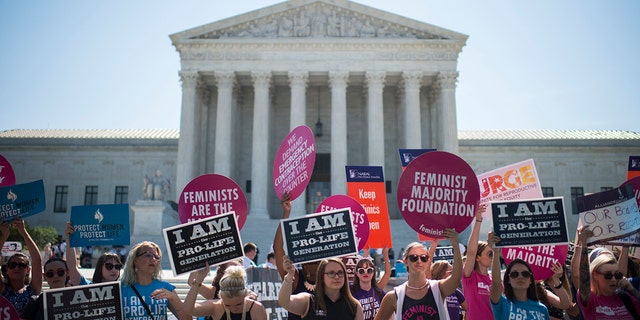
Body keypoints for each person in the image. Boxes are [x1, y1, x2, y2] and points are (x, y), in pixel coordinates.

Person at [374, 228, 462, 320]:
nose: (419, 261)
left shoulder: (438, 288)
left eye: (423, 258)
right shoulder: (394, 296)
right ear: (405, 261)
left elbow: (456, 277)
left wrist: (455, 245)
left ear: (428, 262)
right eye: (414, 257)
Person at [575, 226, 640, 319]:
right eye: (608, 275)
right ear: (595, 275)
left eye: (617, 275)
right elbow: (583, 276)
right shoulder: (591, 299)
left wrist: (632, 290)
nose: (613, 279)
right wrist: (584, 244)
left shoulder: (626, 297)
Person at [273, 192, 320, 320]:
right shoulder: (294, 277)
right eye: (309, 262)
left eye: (317, 262)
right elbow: (278, 249)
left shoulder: (330, 279)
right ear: (303, 263)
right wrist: (286, 214)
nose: (313, 265)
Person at [120, 241, 189, 320]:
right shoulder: (120, 289)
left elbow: (188, 318)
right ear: (135, 261)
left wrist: (174, 299)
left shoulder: (166, 288)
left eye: (156, 257)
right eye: (148, 255)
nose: (153, 259)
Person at [279, 256, 364, 319]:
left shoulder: (354, 305)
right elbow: (284, 302)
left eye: (340, 273)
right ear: (321, 277)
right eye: (331, 273)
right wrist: (290, 275)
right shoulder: (309, 301)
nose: (337, 277)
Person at [488, 232, 550, 319]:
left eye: (525, 274)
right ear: (508, 279)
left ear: (531, 280)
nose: (520, 277)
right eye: (514, 274)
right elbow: (496, 285)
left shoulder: (542, 309)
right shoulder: (502, 303)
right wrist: (496, 252)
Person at [184, 264, 268, 320]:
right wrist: (198, 281)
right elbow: (189, 309)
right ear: (221, 298)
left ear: (245, 296)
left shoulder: (256, 308)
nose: (234, 309)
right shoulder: (216, 306)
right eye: (227, 305)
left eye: (239, 304)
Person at [0, 217, 43, 314]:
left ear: (28, 270)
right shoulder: (2, 289)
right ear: (7, 269)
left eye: (22, 265)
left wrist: (23, 232)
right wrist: (4, 236)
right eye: (12, 265)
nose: (17, 268)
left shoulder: (33, 290)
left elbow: (37, 261)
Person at [64, 221, 122, 285]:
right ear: (100, 267)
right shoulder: (88, 286)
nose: (114, 270)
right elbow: (72, 268)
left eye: (117, 266)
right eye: (109, 266)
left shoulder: (125, 289)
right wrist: (69, 239)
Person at [462, 204, 493, 320]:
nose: (492, 257)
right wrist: (478, 220)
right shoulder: (470, 277)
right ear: (477, 257)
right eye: (489, 254)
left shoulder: (495, 281)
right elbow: (471, 252)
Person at [350, 248, 391, 320]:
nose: (365, 273)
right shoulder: (351, 290)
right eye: (361, 271)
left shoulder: (378, 290)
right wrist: (365, 254)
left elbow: (387, 273)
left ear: (373, 273)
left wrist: (385, 254)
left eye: (369, 270)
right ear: (357, 273)